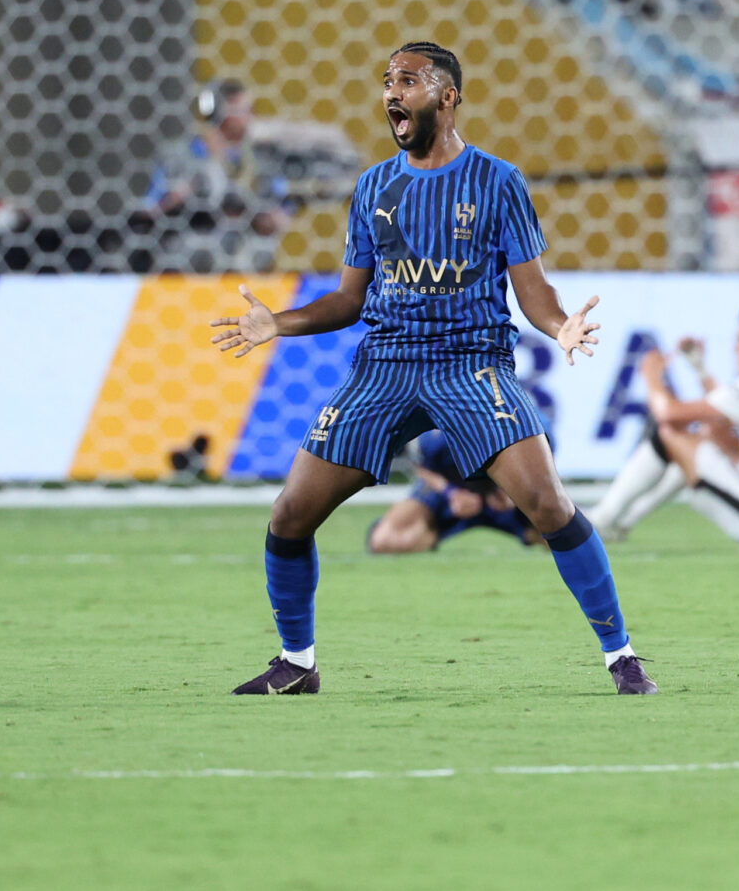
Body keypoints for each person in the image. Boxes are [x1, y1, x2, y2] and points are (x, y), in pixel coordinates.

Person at [210, 42, 654, 696]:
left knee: (547, 502)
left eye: (409, 81)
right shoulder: (373, 186)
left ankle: (622, 656)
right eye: (388, 81)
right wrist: (280, 321)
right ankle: (297, 662)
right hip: (386, 366)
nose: (393, 93)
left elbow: (531, 292)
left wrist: (561, 325)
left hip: (470, 363)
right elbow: (348, 299)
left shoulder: (497, 181)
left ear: (446, 97)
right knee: (290, 513)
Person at [589, 311, 739, 546]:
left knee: (671, 436)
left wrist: (651, 375)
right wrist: (700, 369)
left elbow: (668, 413)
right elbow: (723, 424)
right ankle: (618, 523)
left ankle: (598, 521)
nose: (736, 348)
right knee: (705, 440)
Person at [149, 79, 294, 272]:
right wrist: (185, 195)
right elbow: (151, 210)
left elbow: (282, 215)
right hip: (188, 252)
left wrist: (257, 213)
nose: (250, 116)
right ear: (215, 113)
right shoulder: (180, 156)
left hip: (244, 255)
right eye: (239, 110)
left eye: (250, 109)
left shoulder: (263, 161)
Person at [364, 429, 542, 552]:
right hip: (446, 489)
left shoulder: (521, 422)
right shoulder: (438, 435)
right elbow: (421, 466)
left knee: (558, 531)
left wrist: (510, 490)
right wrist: (451, 493)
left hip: (500, 492)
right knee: (383, 543)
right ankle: (429, 533)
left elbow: (539, 466)